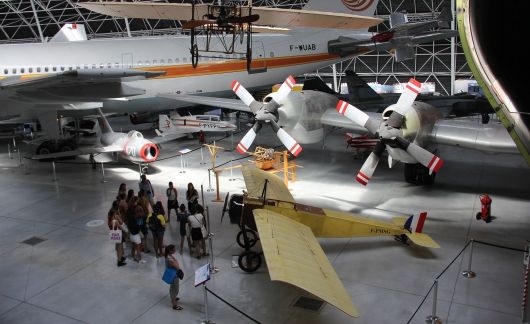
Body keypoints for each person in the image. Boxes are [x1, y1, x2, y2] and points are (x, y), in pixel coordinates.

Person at [128, 196, 146, 263]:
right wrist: (140, 231)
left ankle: (133, 256)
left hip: (131, 235)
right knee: (138, 247)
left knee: (133, 247)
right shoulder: (136, 220)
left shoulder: (131, 219)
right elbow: (137, 228)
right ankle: (140, 259)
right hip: (136, 235)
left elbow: (129, 226)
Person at [164, 245, 183, 310]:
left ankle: (173, 298)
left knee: (173, 288)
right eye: (174, 249)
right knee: (175, 289)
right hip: (174, 276)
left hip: (173, 275)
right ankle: (174, 304)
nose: (175, 250)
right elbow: (176, 266)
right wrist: (178, 267)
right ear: (170, 250)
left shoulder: (169, 256)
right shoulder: (170, 259)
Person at [138, 190, 152, 254]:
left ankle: (140, 247)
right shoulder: (145, 200)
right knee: (145, 234)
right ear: (144, 194)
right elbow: (148, 209)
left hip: (139, 218)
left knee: (140, 233)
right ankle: (145, 248)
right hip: (144, 217)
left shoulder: (138, 200)